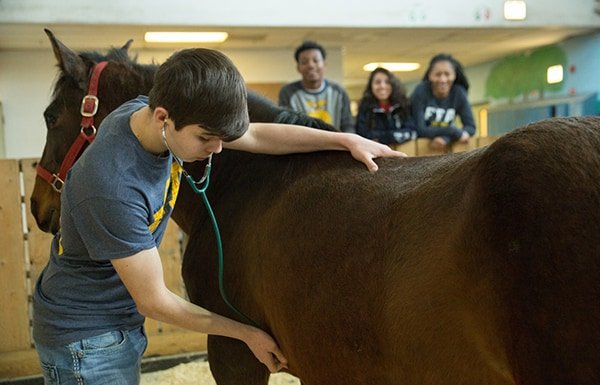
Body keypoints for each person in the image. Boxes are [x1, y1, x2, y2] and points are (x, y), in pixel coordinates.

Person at [32, 48, 403, 384]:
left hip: (118, 320)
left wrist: (344, 141)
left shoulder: (149, 114)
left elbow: (255, 137)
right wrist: (246, 333)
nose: (218, 149)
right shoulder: (113, 187)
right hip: (84, 337)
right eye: (207, 139)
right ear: (163, 118)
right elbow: (155, 300)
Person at [278, 40, 354, 133]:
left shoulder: (339, 92)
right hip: (302, 145)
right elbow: (287, 127)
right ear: (298, 68)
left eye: (316, 60)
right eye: (304, 62)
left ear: (324, 64)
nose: (311, 65)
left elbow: (348, 125)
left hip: (336, 145)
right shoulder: (288, 92)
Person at [410, 53, 476, 150]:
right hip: (418, 150)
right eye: (437, 74)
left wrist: (446, 138)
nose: (442, 79)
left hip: (446, 150)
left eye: (447, 74)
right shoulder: (420, 91)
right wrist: (455, 132)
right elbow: (421, 129)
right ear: (430, 76)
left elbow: (471, 127)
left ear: (454, 75)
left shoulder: (459, 93)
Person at [355, 67, 416, 145]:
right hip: (375, 154)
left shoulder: (403, 105)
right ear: (371, 86)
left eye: (387, 82)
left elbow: (412, 132)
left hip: (402, 152)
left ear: (393, 85)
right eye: (377, 82)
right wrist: (394, 136)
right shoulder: (365, 108)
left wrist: (383, 137)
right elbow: (363, 136)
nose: (382, 86)